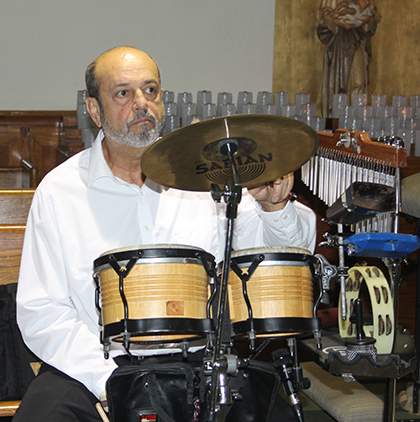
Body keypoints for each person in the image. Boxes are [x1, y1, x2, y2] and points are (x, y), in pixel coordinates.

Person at [13, 46, 316, 421]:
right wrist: (109, 381)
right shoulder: (60, 191)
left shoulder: (207, 179)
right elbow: (42, 311)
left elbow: (279, 266)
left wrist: (274, 207)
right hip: (96, 363)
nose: (142, 103)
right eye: (124, 93)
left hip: (200, 363)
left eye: (151, 90)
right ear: (94, 110)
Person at [317, 0, 381, 117]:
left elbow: (371, 16)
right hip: (339, 44)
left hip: (357, 39)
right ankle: (340, 120)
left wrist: (368, 20)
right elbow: (323, 16)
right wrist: (336, 20)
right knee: (341, 84)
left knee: (359, 81)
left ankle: (357, 118)